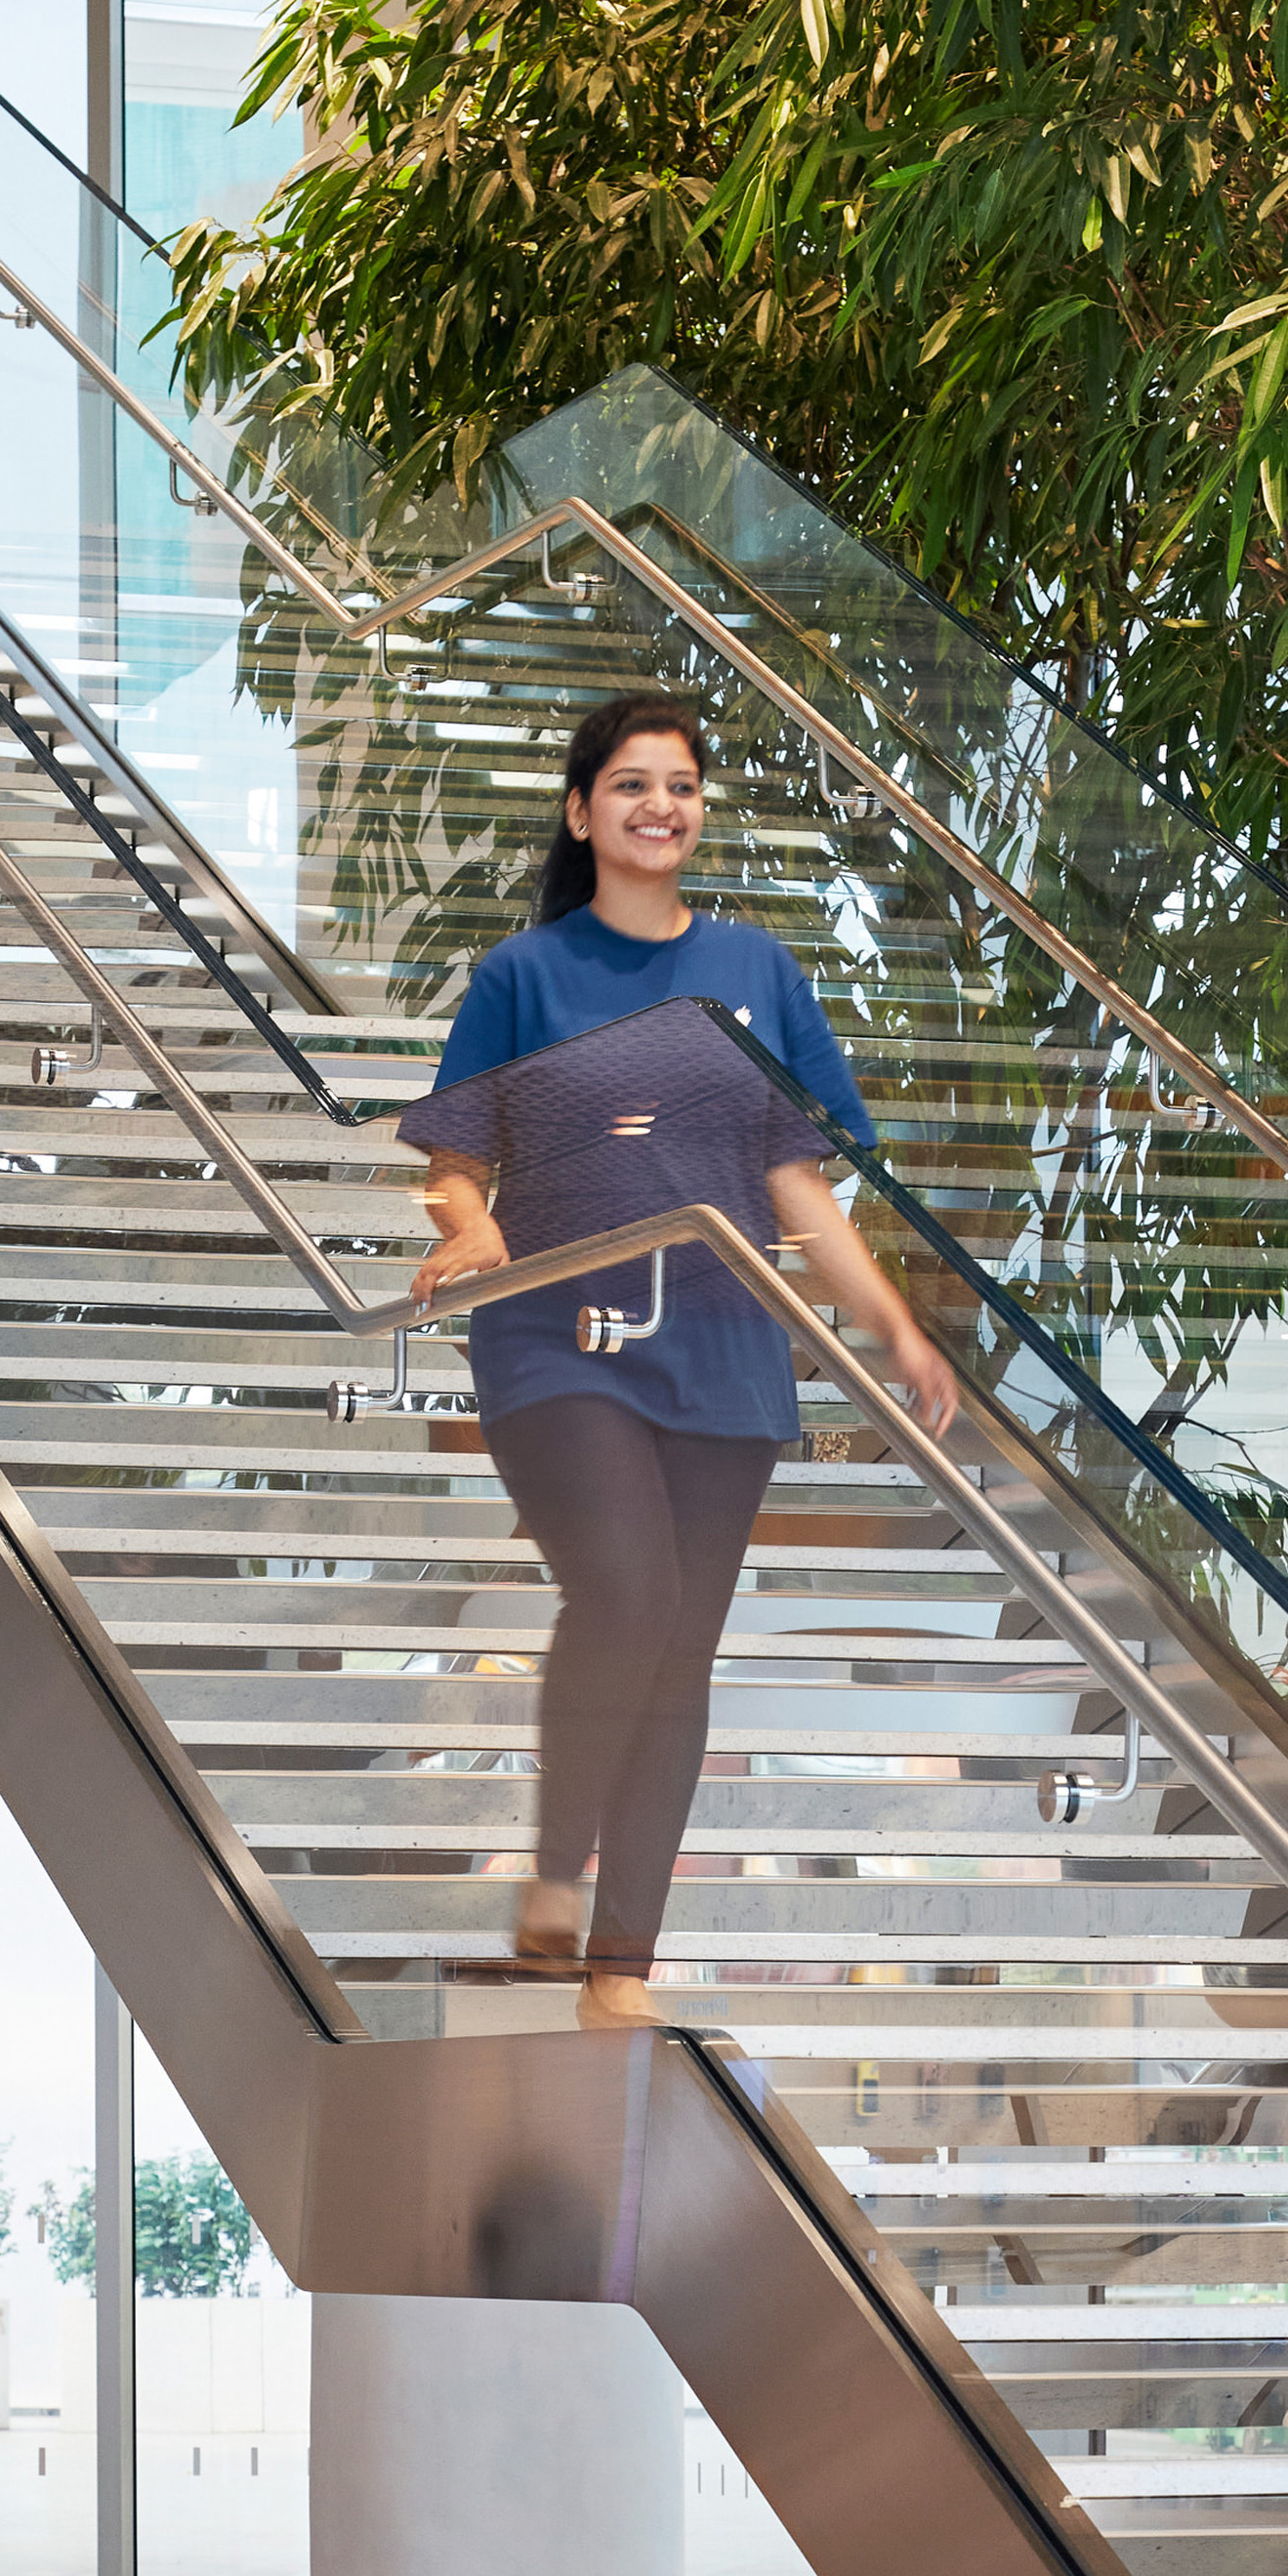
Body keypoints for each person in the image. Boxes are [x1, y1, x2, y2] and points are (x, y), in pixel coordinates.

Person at [398, 686, 957, 2032]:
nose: (662, 805)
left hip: (720, 1339)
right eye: (633, 783)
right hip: (556, 1334)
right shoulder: (522, 978)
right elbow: (452, 1161)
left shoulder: (758, 971)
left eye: (683, 785)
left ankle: (617, 1967)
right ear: (581, 811)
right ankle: (550, 1872)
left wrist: (890, 1324)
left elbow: (795, 1181)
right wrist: (467, 1229)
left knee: (682, 1652)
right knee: (630, 1597)